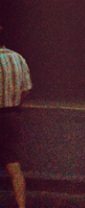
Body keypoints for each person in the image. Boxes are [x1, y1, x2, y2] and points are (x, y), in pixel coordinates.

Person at [0, 27, 32, 208]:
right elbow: (26, 89)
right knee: (13, 165)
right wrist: (16, 102)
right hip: (12, 115)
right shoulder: (18, 58)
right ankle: (21, 206)